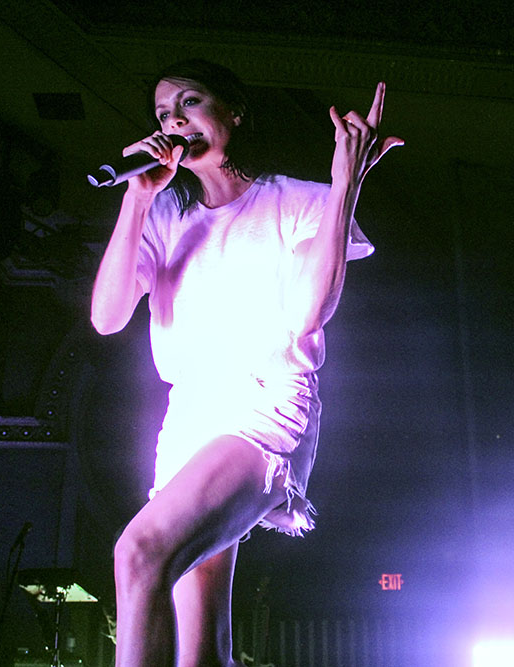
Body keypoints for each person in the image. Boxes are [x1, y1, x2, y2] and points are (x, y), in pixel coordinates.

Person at [90, 59, 402, 667]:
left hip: (265, 404)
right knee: (201, 648)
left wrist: (345, 185)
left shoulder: (299, 202)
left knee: (139, 553)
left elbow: (311, 313)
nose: (175, 121)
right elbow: (107, 317)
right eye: (162, 114)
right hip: (187, 419)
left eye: (189, 103)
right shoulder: (165, 216)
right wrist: (136, 198)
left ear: (234, 111)